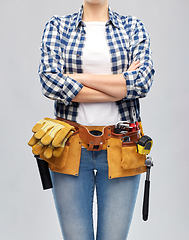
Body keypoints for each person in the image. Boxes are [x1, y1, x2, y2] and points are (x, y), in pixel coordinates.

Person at [38, 0, 155, 239]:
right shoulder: (57, 27)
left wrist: (72, 77)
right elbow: (49, 81)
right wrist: (120, 84)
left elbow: (141, 82)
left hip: (122, 146)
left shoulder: (133, 27)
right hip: (69, 146)